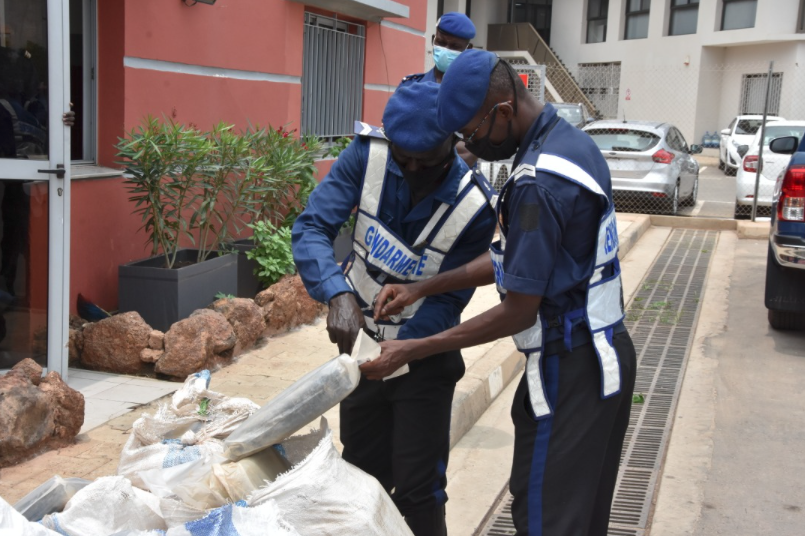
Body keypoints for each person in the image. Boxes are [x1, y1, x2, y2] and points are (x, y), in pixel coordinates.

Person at [367, 49, 637, 536]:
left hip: (570, 366)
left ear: (504, 112)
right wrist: (422, 287)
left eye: (471, 133)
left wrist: (414, 346)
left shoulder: (538, 183)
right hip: (604, 355)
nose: (468, 147)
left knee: (545, 518)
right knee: (580, 517)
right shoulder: (571, 144)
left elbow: (518, 310)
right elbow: (517, 262)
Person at [291, 81, 496, 536]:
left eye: (429, 159)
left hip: (423, 362)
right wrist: (337, 293)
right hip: (361, 353)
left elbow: (448, 298)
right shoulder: (367, 156)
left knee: (419, 489)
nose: (415, 169)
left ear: (454, 141)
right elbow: (311, 228)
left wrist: (405, 349)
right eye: (405, 158)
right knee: (360, 479)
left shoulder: (476, 208)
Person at [401, 13, 478, 168]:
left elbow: (469, 152)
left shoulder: (476, 95)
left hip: (455, 185)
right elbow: (395, 139)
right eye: (441, 42)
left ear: (468, 49)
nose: (445, 50)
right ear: (433, 40)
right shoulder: (410, 87)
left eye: (455, 46)